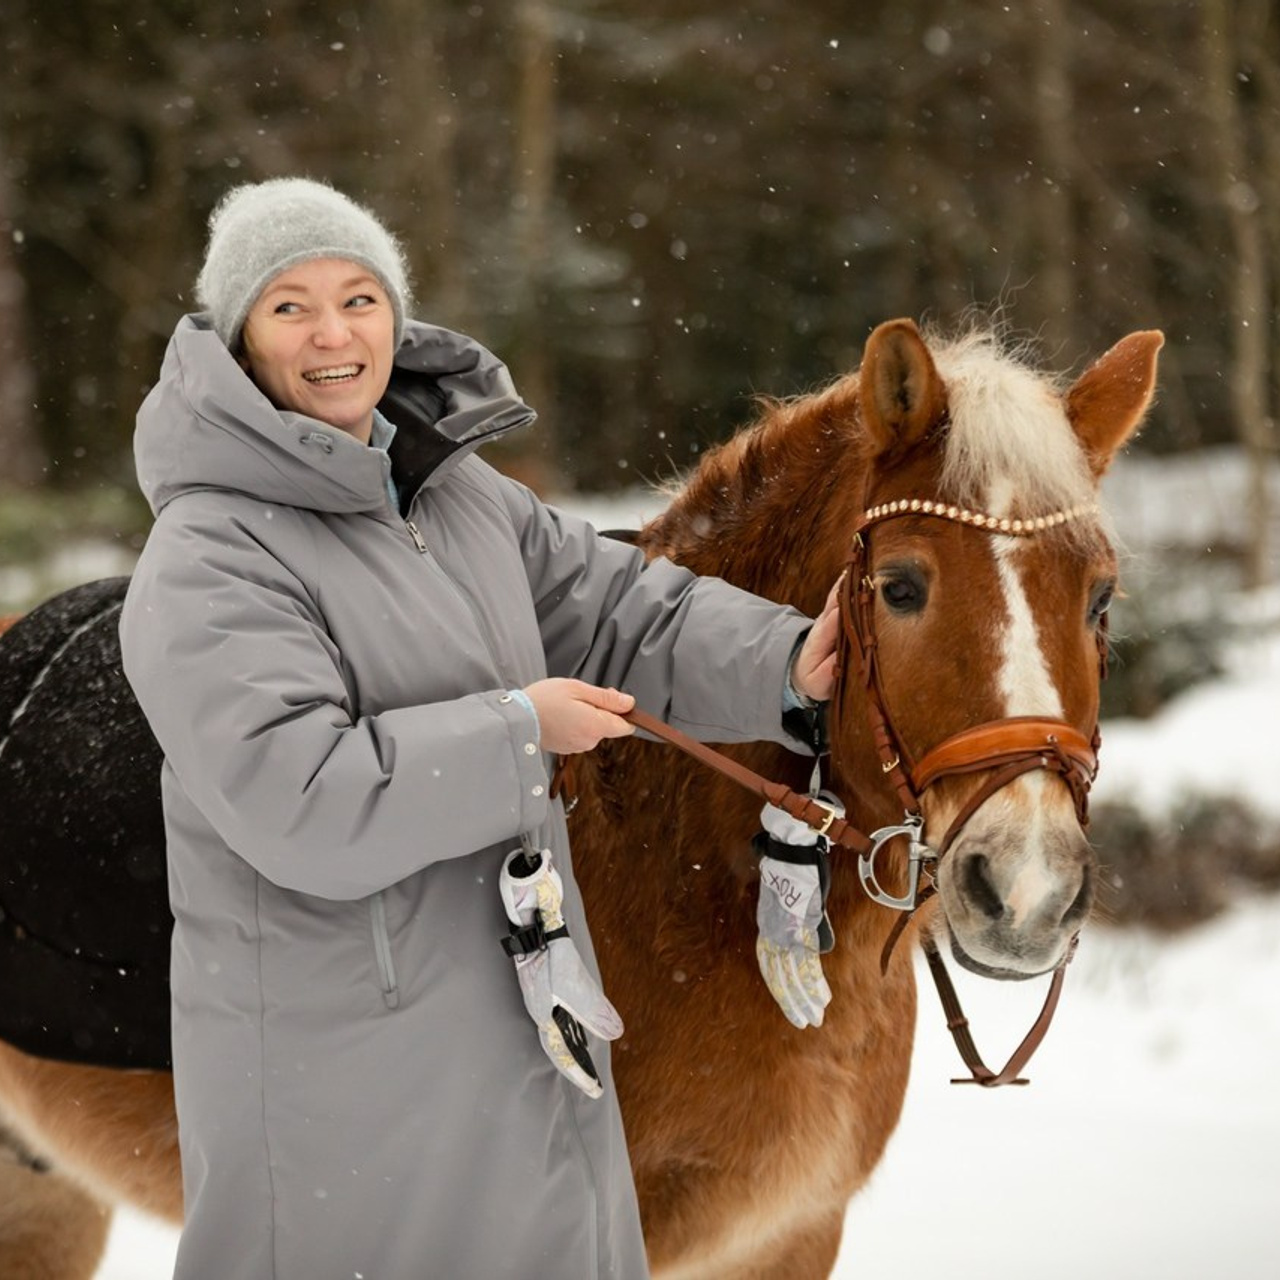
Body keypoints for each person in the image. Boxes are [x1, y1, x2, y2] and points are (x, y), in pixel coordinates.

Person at [119, 177, 839, 1280]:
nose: (332, 333)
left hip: (514, 1013)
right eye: (289, 305)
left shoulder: (455, 497)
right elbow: (301, 798)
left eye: (359, 297)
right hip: (343, 1068)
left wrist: (788, 661)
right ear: (238, 338)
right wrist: (518, 731)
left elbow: (617, 608)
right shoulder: (211, 553)